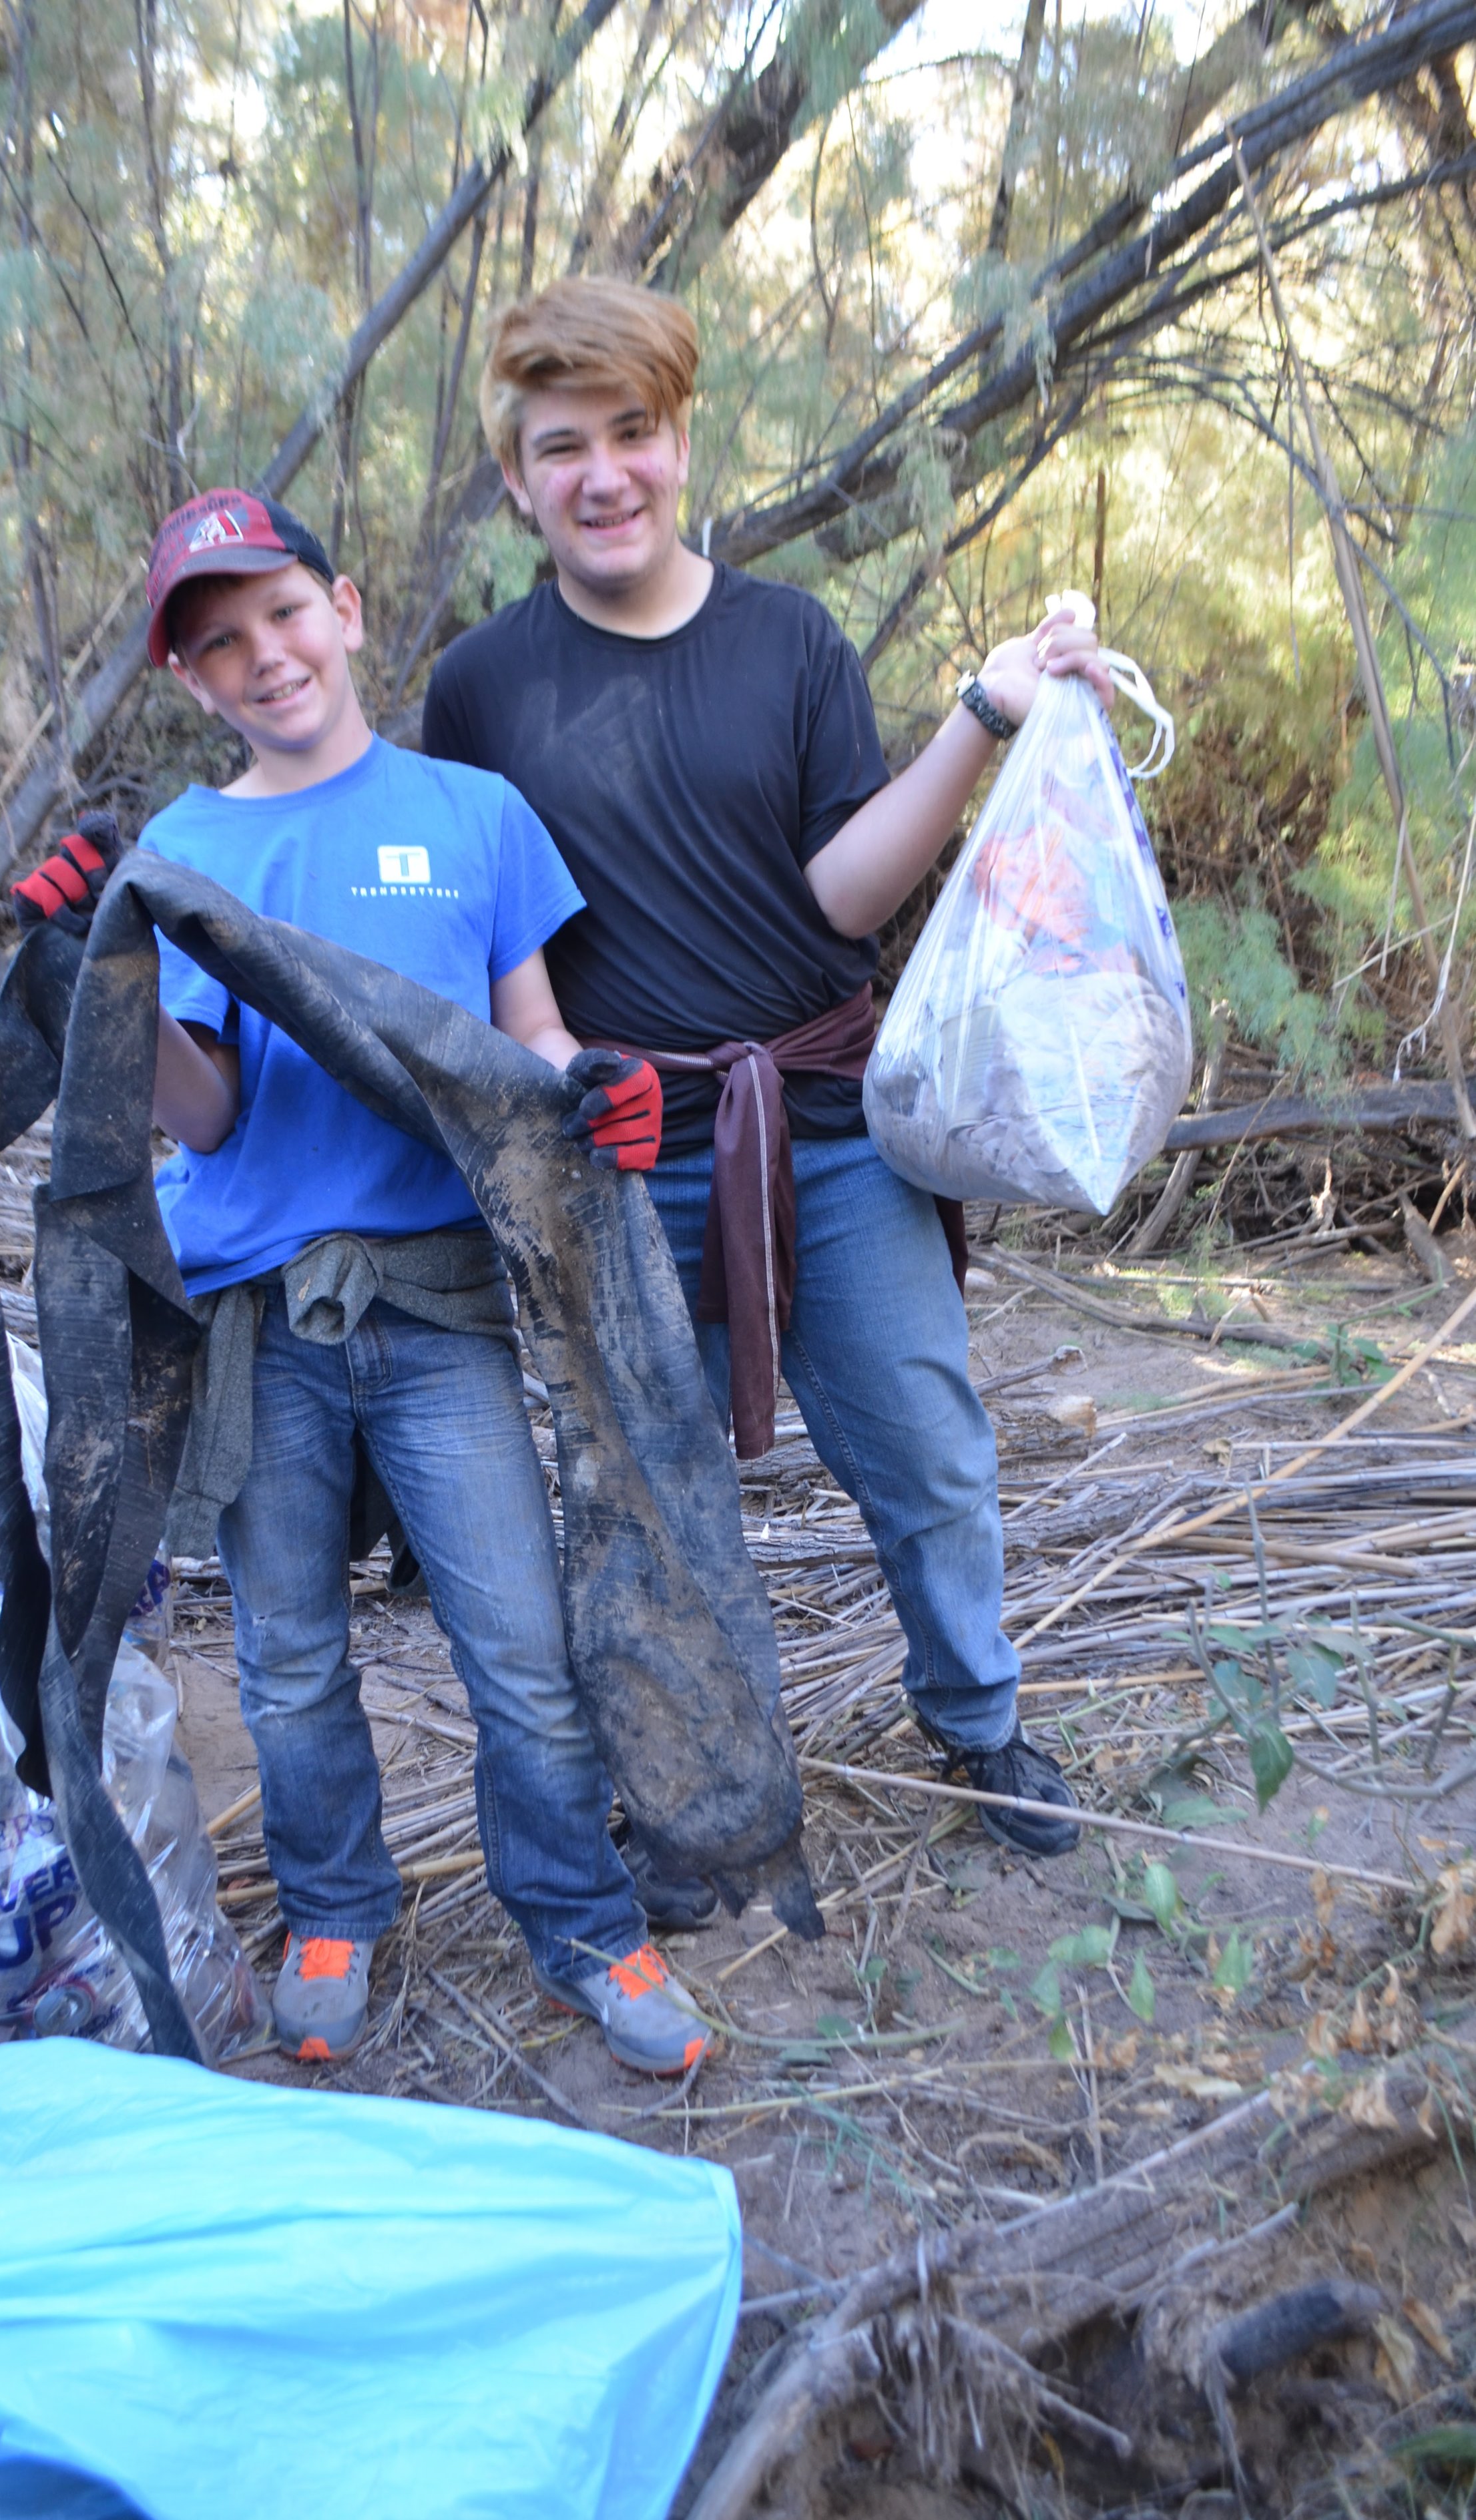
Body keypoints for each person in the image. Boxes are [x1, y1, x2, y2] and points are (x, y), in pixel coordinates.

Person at [424, 276, 1107, 1893]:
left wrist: (982, 718)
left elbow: (842, 901)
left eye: (632, 433)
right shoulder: (479, 688)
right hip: (618, 1148)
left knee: (926, 1447)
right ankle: (688, 1780)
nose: (603, 474)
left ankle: (976, 1712)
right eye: (559, 445)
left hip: (826, 1133)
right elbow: (478, 933)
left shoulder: (788, 639)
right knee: (643, 1493)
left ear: (680, 441)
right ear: (516, 480)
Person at [12, 486, 706, 2073]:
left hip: (441, 1304)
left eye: (283, 616)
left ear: (346, 607)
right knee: (288, 1658)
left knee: (520, 1646)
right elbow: (207, 1110)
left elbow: (527, 1037)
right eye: (221, 644)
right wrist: (91, 984)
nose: (265, 658)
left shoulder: (474, 815)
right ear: (189, 682)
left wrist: (593, 1082)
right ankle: (334, 1905)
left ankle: (585, 1925)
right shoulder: (188, 850)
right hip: (257, 1321)